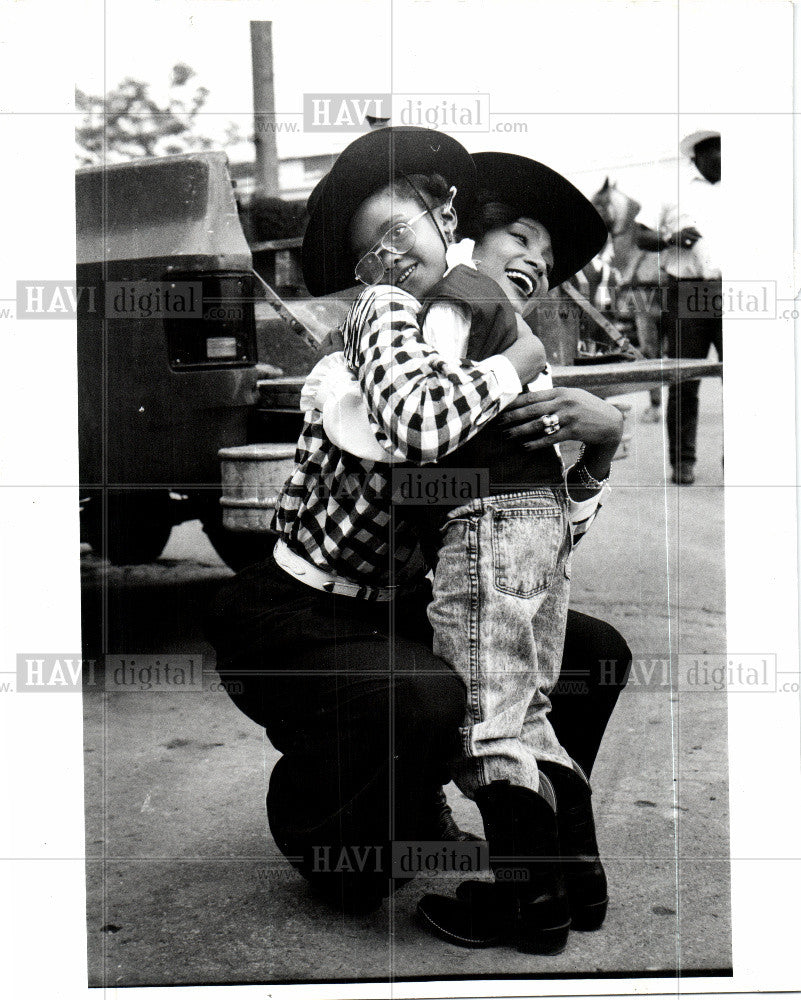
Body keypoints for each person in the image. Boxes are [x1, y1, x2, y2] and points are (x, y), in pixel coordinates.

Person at [204, 128, 633, 927]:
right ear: (462, 232)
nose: (535, 265)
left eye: (548, 262)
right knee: (426, 693)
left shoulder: (496, 355)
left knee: (593, 653)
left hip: (395, 605)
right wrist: (515, 366)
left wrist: (598, 450)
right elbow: (420, 429)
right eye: (518, 239)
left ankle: (548, 874)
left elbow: (522, 561)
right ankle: (328, 830)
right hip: (300, 613)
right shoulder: (389, 338)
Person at [634, 129, 722, 485]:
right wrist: (670, 238)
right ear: (697, 156)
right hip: (690, 290)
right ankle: (682, 461)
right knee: (685, 379)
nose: (723, 155)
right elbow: (640, 235)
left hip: (740, 291)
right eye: (715, 150)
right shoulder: (673, 190)